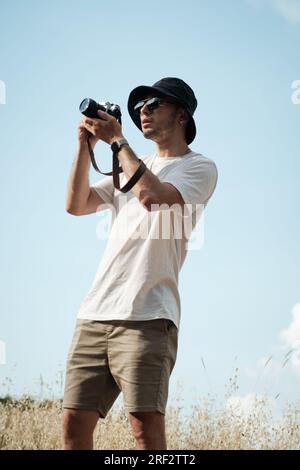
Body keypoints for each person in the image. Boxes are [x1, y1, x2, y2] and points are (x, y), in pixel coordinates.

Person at [62, 77, 218, 450]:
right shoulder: (129, 164)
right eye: (139, 107)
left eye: (153, 103)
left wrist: (117, 140)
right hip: (95, 312)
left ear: (182, 115)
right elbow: (76, 204)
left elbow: (153, 196)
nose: (142, 111)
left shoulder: (199, 167)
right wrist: (85, 147)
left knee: (144, 432)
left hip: (148, 316)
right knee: (72, 424)